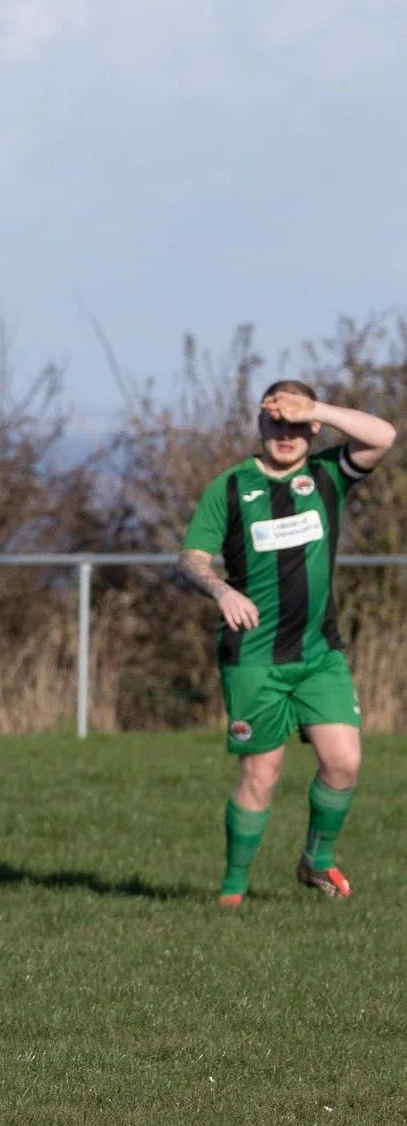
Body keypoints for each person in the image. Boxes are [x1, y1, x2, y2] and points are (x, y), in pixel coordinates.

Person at [179, 380, 395, 906]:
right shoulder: (230, 488)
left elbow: (384, 435)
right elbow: (192, 559)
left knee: (343, 761)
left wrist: (314, 407)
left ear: (313, 429)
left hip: (320, 655)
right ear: (260, 423)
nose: (286, 433)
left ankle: (316, 860)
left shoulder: (326, 477)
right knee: (261, 774)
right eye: (276, 421)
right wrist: (220, 589)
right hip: (253, 658)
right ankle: (233, 891)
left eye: (297, 424)